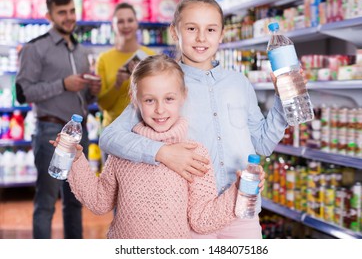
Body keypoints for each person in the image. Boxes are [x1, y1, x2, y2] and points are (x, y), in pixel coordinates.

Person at [99, 0, 288, 239]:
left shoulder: (239, 83)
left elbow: (262, 143)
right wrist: (162, 153)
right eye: (191, 28)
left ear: (221, 34)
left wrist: (284, 100)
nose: (201, 38)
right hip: (189, 214)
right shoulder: (163, 83)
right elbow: (110, 137)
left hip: (243, 207)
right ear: (175, 33)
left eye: (210, 29)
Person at [53, 54, 244, 238]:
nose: (160, 109)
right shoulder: (124, 150)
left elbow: (202, 219)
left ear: (183, 96)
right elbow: (99, 201)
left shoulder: (194, 154)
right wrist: (76, 160)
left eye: (169, 99)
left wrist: (239, 192)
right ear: (135, 99)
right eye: (149, 100)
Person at [15, 0, 101, 239]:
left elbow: (84, 98)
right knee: (46, 202)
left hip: (78, 134)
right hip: (51, 132)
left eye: (72, 11)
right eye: (62, 12)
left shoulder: (82, 51)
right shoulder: (35, 49)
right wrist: (62, 84)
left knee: (75, 201)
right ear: (48, 15)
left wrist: (93, 91)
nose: (69, 17)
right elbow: (24, 93)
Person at [96, 2, 156, 129]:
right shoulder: (104, 59)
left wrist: (141, 79)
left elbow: (158, 96)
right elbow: (103, 105)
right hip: (113, 129)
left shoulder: (150, 56)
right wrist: (117, 84)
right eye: (120, 21)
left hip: (145, 129)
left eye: (130, 20)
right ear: (113, 25)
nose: (126, 25)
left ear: (136, 23)